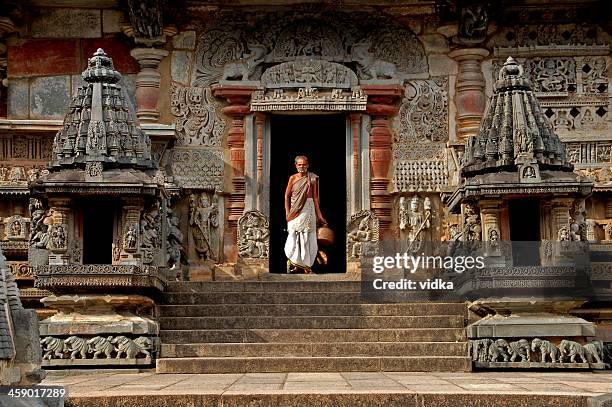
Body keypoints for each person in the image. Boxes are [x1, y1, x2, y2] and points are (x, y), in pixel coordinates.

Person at [284, 155, 326, 273]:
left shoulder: (312, 178)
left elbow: (316, 198)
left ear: (307, 165)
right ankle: (295, 263)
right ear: (296, 166)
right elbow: (287, 196)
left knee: (307, 237)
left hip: (309, 208)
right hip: (294, 211)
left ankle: (307, 266)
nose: (302, 167)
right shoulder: (292, 178)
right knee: (294, 235)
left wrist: (320, 216)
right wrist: (287, 212)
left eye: (304, 164)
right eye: (299, 164)